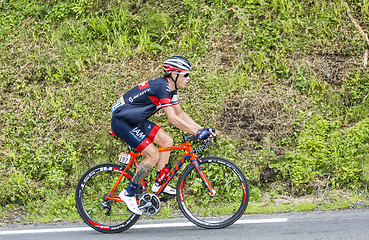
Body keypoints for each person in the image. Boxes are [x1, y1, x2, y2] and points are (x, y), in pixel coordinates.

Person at [110, 56, 216, 215]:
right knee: (152, 156)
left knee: (167, 141)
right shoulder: (162, 87)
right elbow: (173, 119)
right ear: (174, 74)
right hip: (122, 122)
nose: (189, 78)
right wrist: (196, 132)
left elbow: (180, 113)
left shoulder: (170, 89)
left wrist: (202, 129)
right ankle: (129, 193)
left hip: (135, 120)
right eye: (186, 74)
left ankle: (159, 183)